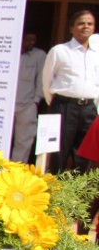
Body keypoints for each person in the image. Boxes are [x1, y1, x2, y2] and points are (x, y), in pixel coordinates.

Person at [43, 10, 98, 174]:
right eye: (81, 23)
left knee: (84, 156)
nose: (85, 27)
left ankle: (78, 196)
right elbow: (47, 82)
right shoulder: (59, 51)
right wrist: (55, 104)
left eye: (90, 24)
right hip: (64, 106)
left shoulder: (97, 53)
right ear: (71, 28)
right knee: (58, 153)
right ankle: (55, 193)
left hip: (89, 109)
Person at [12, 32, 46, 164]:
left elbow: (41, 79)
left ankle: (16, 171)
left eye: (34, 40)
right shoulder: (10, 52)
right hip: (4, 107)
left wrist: (36, 101)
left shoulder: (39, 55)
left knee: (23, 141)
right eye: (28, 39)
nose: (31, 42)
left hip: (27, 105)